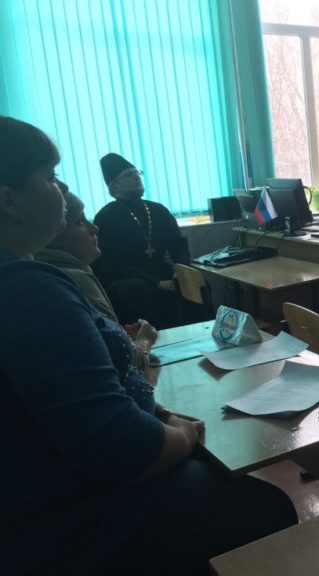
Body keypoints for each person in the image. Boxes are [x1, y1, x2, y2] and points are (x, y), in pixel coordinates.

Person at [0, 116, 297, 576]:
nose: (64, 190)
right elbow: (124, 450)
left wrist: (157, 414)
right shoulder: (30, 291)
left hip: (43, 502)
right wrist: (183, 435)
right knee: (269, 509)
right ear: (9, 200)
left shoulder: (30, 280)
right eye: (51, 177)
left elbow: (87, 395)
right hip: (66, 521)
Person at [35, 179, 157, 371]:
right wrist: (144, 340)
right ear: (54, 236)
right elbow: (127, 361)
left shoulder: (40, 271)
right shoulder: (74, 278)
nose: (94, 228)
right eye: (79, 222)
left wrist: (122, 339)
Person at [93, 153, 192, 328]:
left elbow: (178, 244)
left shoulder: (158, 210)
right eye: (128, 175)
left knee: (197, 282)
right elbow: (115, 263)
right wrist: (157, 283)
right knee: (136, 288)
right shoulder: (106, 217)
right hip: (126, 278)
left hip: (160, 271)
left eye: (137, 173)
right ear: (113, 185)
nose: (136, 177)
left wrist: (181, 270)